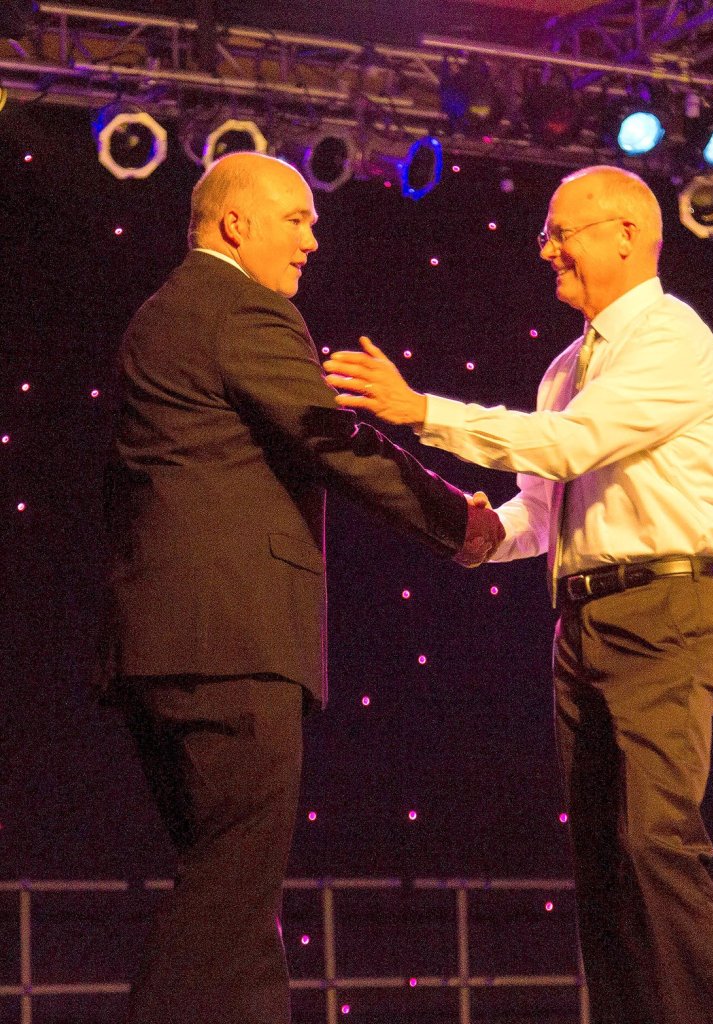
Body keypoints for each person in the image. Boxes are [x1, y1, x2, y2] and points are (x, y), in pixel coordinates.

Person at [324, 165, 713, 1024]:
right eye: (545, 233)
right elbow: (544, 507)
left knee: (653, 843)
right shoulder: (564, 366)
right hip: (583, 624)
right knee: (602, 860)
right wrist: (484, 535)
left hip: (665, 614)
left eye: (563, 230)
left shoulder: (673, 336)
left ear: (627, 233)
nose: (545, 247)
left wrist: (420, 411)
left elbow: (569, 444)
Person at [99, 151, 504, 1024]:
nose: (313, 239)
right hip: (231, 646)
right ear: (235, 223)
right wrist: (457, 521)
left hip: (165, 646)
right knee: (227, 893)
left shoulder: (159, 314)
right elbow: (330, 439)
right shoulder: (242, 307)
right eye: (296, 219)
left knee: (238, 902)